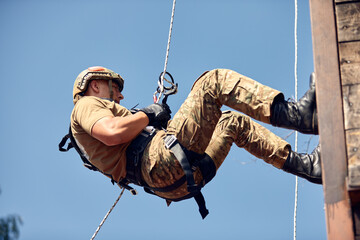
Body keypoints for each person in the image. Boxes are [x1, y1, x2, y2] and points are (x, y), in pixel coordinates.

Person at [67, 66, 321, 218]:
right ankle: (300, 116)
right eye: (115, 87)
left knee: (232, 124)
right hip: (160, 162)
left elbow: (122, 140)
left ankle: (308, 166)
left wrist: (155, 121)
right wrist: (147, 115)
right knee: (213, 82)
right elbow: (113, 132)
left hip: (178, 181)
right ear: (96, 85)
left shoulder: (93, 129)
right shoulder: (85, 106)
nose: (121, 94)